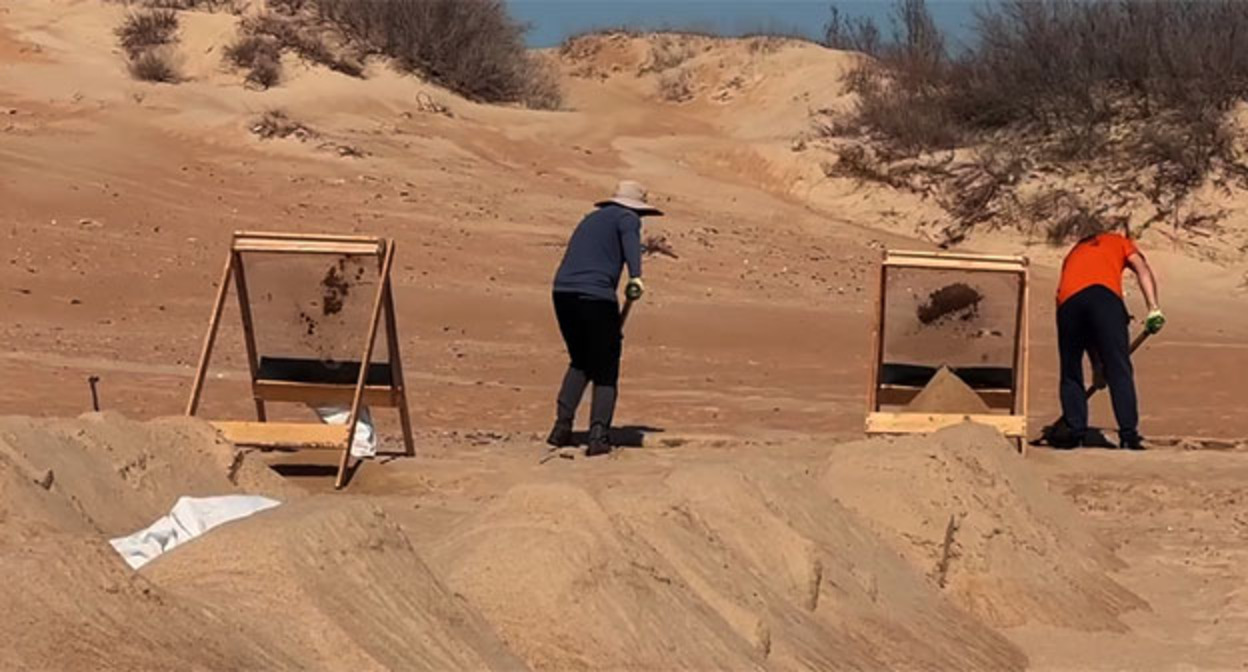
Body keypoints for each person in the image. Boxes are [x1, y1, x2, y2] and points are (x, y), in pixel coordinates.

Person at [546, 180, 661, 456]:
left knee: (581, 360)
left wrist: (645, 250)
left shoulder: (594, 218)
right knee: (606, 365)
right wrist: (636, 277)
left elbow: (604, 249)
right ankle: (599, 435)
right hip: (595, 296)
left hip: (563, 293)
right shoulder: (627, 218)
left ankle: (561, 428)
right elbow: (629, 246)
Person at [1053, 230, 1165, 450]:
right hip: (1104, 298)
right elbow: (1142, 270)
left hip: (1067, 303)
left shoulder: (1075, 250)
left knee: (1070, 369)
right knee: (1119, 368)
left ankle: (1075, 433)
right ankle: (1129, 435)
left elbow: (1084, 314)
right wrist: (1154, 308)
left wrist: (1097, 367)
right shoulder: (1120, 241)